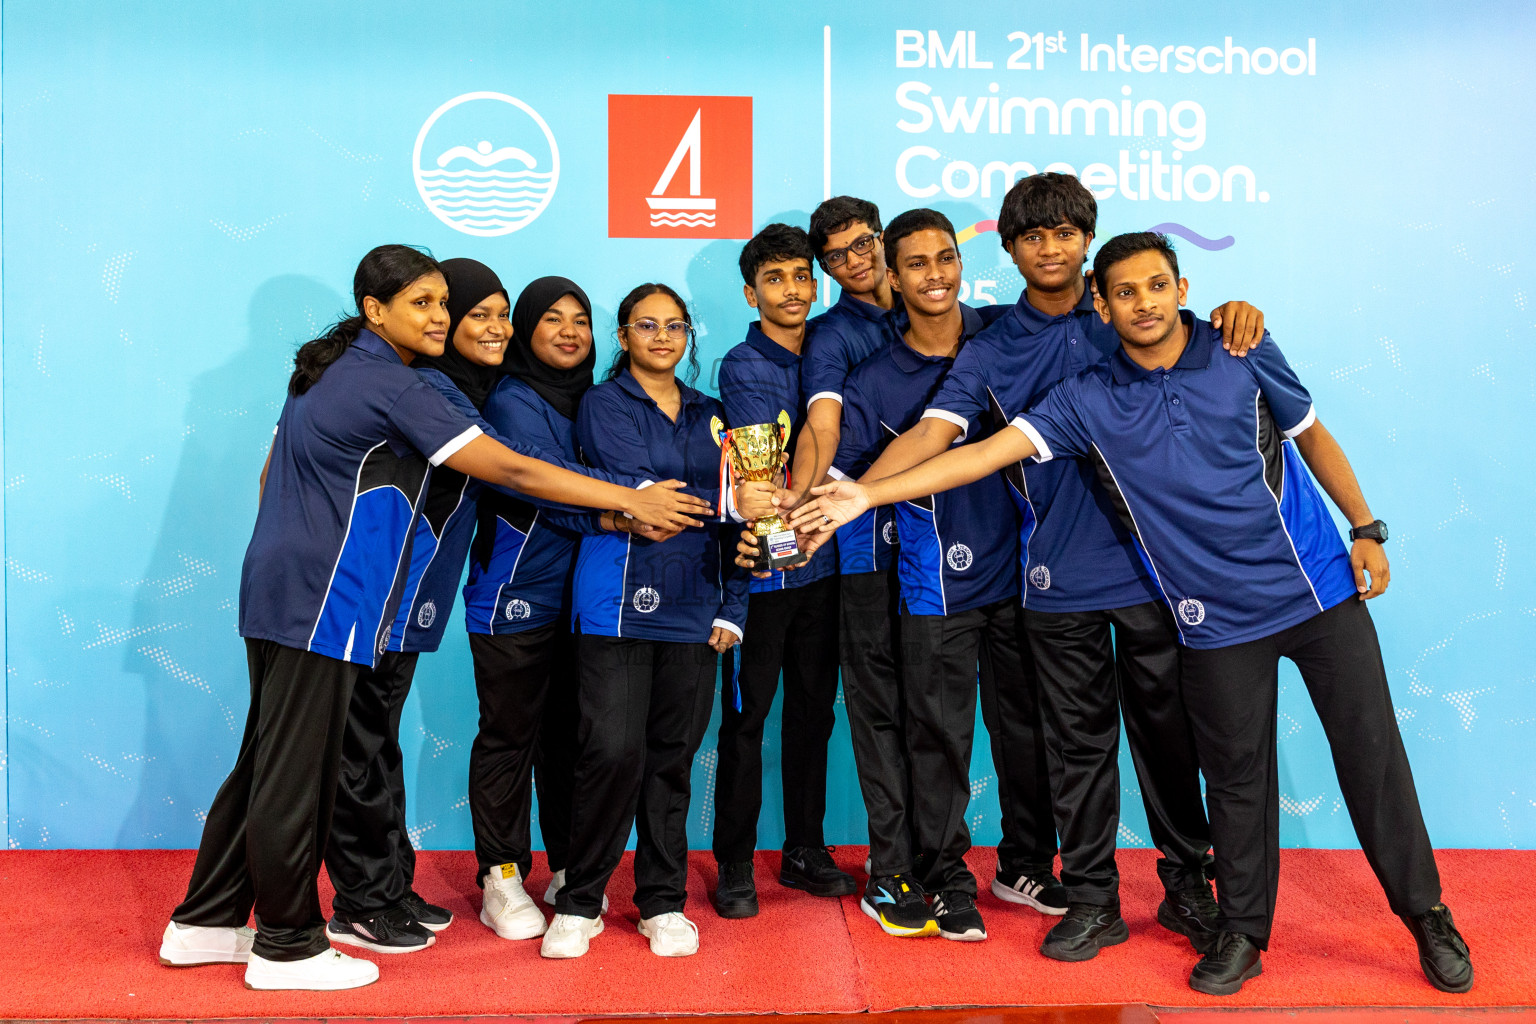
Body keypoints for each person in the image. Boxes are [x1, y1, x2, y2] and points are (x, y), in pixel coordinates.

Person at [793, 232, 1474, 997]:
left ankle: (1427, 917)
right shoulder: (1085, 397)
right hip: (1213, 624)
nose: (1143, 302)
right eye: (1125, 292)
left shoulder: (1239, 345)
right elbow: (974, 453)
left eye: (1156, 286)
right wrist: (862, 494)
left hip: (1317, 595)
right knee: (1238, 785)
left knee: (1372, 762)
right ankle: (1244, 933)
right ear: (1101, 302)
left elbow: (1308, 434)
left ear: (1181, 286)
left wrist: (1366, 527)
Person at [158, 246, 711, 991]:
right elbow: (511, 468)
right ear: (373, 310)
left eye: (443, 304)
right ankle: (286, 944)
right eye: (423, 304)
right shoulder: (392, 383)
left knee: (266, 756)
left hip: (292, 589)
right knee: (298, 771)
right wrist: (630, 501)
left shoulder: (340, 371)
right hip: (326, 596)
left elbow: (270, 477)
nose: (441, 317)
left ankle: (206, 920)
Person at [852, 173, 1265, 961]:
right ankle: (1093, 900)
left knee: (1170, 741)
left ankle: (1187, 889)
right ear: (1008, 251)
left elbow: (1214, 361)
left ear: (1087, 238)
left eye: (1067, 232)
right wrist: (850, 496)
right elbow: (939, 436)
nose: (1052, 248)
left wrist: (1238, 316)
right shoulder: (993, 346)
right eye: (1034, 236)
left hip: (1160, 574)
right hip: (1054, 584)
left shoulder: (1134, 316)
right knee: (1076, 749)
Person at [829, 208, 1052, 942]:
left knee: (1027, 729)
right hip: (932, 582)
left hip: (1025, 573)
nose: (935, 275)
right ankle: (942, 872)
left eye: (946, 258)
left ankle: (1024, 864)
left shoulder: (1007, 339)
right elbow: (846, 484)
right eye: (916, 264)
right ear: (892, 278)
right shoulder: (872, 380)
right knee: (938, 738)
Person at [542, 284, 748, 959]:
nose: (662, 337)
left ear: (689, 336)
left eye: (675, 326)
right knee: (609, 753)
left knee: (671, 760)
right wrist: (723, 497)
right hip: (615, 604)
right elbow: (641, 496)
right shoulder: (604, 404)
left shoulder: (714, 414)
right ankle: (581, 899)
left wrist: (735, 604)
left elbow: (742, 519)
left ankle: (661, 901)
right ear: (624, 336)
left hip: (698, 606)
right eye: (646, 325)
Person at [320, 257, 510, 955]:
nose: (491, 327)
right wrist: (625, 500)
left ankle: (388, 887)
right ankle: (361, 902)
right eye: (471, 313)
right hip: (377, 601)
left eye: (500, 312)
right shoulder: (425, 387)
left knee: (376, 745)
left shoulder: (467, 388)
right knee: (360, 749)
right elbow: (512, 464)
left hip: (413, 603)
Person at [464, 275, 657, 940]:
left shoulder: (599, 401)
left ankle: (571, 867)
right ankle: (502, 875)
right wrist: (640, 496)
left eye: (581, 318)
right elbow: (545, 485)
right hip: (515, 594)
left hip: (587, 598)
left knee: (573, 737)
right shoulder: (514, 399)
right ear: (524, 330)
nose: (570, 330)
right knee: (511, 735)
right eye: (552, 319)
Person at [710, 224, 853, 919]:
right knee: (747, 719)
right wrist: (779, 547)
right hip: (766, 572)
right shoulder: (742, 364)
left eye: (801, 276)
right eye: (775, 279)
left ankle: (804, 848)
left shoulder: (836, 345)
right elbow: (759, 477)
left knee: (813, 714)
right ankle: (734, 861)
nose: (792, 290)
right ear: (751, 291)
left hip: (828, 570)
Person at [797, 197, 912, 898]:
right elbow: (822, 424)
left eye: (864, 243)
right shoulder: (833, 337)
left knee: (937, 710)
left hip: (953, 550)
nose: (856, 260)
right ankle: (891, 859)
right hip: (866, 546)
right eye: (837, 255)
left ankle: (937, 852)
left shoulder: (937, 306)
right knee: (878, 708)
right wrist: (806, 499)